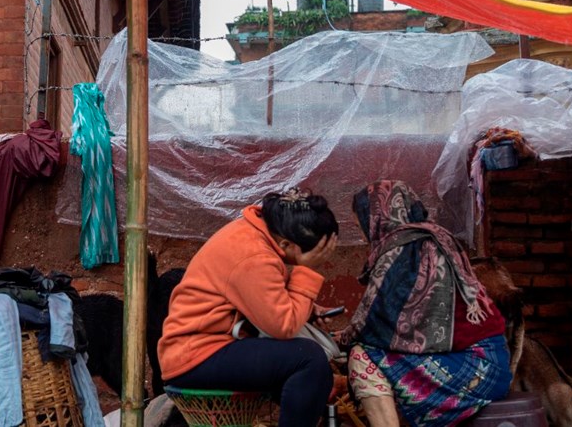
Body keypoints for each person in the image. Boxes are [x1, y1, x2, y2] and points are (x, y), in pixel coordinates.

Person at [335, 180, 511, 427]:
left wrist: (342, 340)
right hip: (495, 365)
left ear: (377, 217)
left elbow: (371, 323)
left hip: (470, 370)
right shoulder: (437, 237)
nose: (364, 234)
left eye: (362, 224)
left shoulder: (401, 248)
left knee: (362, 355)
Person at [159, 188, 340, 427]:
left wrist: (307, 306)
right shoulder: (253, 256)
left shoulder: (254, 234)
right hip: (196, 353)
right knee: (308, 359)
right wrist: (307, 270)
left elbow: (261, 293)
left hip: (215, 345)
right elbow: (283, 326)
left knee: (317, 375)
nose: (321, 260)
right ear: (286, 243)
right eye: (315, 255)